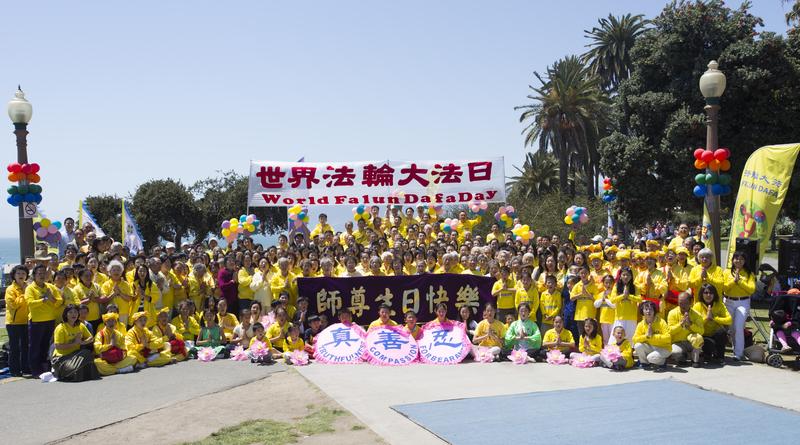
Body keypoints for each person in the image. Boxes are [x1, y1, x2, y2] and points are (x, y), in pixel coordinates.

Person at [25, 264, 63, 377]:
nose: (42, 276)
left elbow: (59, 301)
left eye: (44, 273)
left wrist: (51, 298)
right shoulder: (30, 288)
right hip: (36, 321)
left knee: (45, 346)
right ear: (34, 275)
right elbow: (30, 303)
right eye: (39, 273)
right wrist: (44, 300)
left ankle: (45, 369)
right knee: (35, 347)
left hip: (50, 320)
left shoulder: (50, 287)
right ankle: (35, 370)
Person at [51, 304, 99, 381]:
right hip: (61, 358)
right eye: (70, 312)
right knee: (75, 369)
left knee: (86, 353)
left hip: (75, 356)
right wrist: (74, 343)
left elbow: (91, 338)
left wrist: (82, 342)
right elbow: (58, 346)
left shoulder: (80, 325)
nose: (74, 314)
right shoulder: (60, 328)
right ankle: (59, 371)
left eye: (75, 312)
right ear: (66, 315)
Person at [723, 251, 756, 361]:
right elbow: (724, 288)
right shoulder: (727, 272)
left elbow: (751, 289)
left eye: (741, 259)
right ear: (732, 260)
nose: (738, 261)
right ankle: (734, 348)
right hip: (728, 301)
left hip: (743, 302)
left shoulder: (749, 273)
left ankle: (738, 353)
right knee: (731, 329)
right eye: (736, 258)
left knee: (739, 327)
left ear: (745, 261)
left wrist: (740, 282)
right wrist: (734, 281)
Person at [693, 283, 732, 365]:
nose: (708, 295)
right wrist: (706, 318)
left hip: (715, 334)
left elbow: (729, 320)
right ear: (701, 294)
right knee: (707, 343)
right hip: (703, 335)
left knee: (722, 332)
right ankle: (707, 355)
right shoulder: (697, 306)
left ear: (714, 294)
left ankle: (720, 357)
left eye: (711, 293)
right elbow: (694, 324)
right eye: (706, 293)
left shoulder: (719, 305)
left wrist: (714, 318)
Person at [4, 265, 30, 377]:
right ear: (14, 276)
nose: (21, 276)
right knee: (15, 348)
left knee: (25, 346)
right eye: (18, 273)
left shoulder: (28, 287)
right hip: (13, 323)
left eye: (23, 273)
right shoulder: (10, 289)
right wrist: (24, 294)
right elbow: (13, 304)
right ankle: (14, 370)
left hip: (26, 321)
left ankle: (25, 368)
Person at [667, 292, 705, 367]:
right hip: (678, 342)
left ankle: (695, 360)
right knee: (675, 353)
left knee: (699, 338)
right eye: (680, 303)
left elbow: (701, 331)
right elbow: (670, 331)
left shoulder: (697, 314)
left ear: (690, 302)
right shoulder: (672, 313)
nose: (683, 306)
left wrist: (691, 324)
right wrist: (680, 325)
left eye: (685, 303)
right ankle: (688, 356)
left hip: (691, 342)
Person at [632, 301, 671, 371]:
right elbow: (634, 339)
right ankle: (644, 363)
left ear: (654, 311)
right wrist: (646, 336)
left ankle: (662, 362)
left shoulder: (661, 322)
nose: (648, 311)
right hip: (651, 347)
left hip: (663, 348)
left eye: (651, 309)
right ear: (642, 311)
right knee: (637, 345)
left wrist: (653, 336)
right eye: (646, 309)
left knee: (651, 358)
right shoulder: (641, 324)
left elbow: (668, 338)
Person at [610, 267, 640, 342]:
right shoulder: (616, 286)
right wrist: (623, 296)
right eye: (624, 275)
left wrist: (629, 296)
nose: (626, 277)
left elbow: (639, 299)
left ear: (631, 277)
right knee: (617, 337)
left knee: (630, 338)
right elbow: (612, 300)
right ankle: (615, 353)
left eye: (628, 275)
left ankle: (629, 352)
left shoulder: (635, 287)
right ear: (620, 276)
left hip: (631, 317)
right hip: (620, 316)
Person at [101, 261, 134, 327]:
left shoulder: (126, 284)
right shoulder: (106, 285)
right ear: (109, 272)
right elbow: (104, 300)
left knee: (123, 332)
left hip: (123, 313)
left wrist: (120, 293)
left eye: (118, 270)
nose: (116, 272)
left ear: (121, 272)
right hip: (110, 313)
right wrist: (114, 293)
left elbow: (130, 298)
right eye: (114, 270)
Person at [570, 265, 598, 335]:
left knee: (591, 335)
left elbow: (597, 300)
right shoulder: (577, 285)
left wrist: (587, 294)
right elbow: (572, 298)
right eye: (581, 273)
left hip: (590, 314)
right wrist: (580, 294)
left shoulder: (593, 285)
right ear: (579, 274)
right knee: (581, 335)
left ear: (589, 273)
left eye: (585, 273)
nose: (583, 275)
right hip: (579, 315)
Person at [73, 268, 103, 332]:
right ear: (80, 277)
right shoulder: (76, 289)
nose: (89, 277)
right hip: (83, 319)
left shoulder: (96, 286)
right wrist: (89, 299)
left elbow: (103, 299)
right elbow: (76, 304)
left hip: (96, 317)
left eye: (90, 276)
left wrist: (94, 299)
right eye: (86, 276)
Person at [594, 274, 616, 344]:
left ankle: (613, 353)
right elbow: (596, 305)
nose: (608, 284)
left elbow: (614, 306)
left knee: (613, 338)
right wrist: (602, 299)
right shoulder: (601, 294)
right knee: (605, 339)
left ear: (613, 283)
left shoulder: (614, 293)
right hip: (603, 319)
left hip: (613, 319)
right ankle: (606, 353)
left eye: (610, 282)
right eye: (606, 282)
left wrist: (605, 300)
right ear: (603, 283)